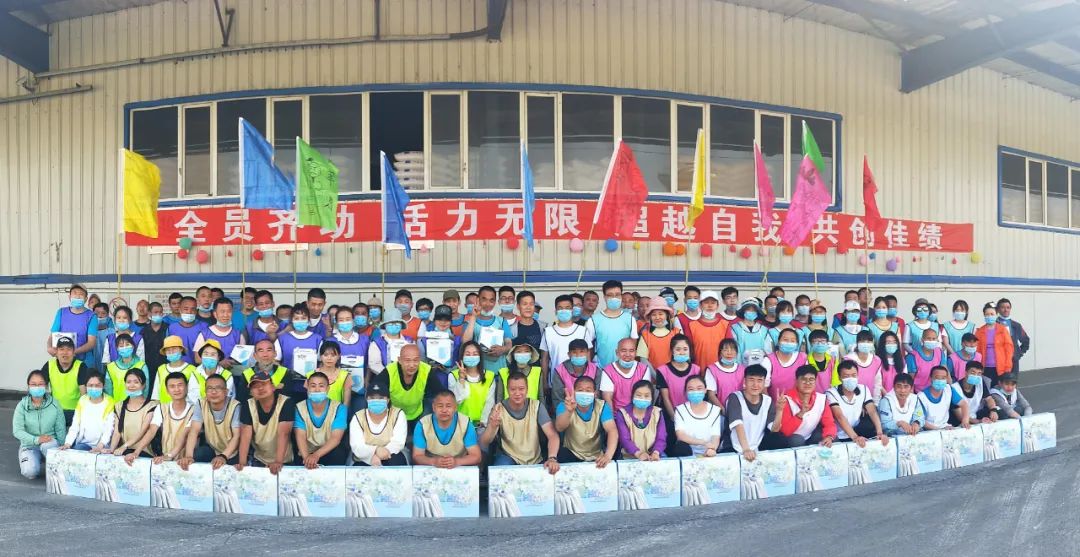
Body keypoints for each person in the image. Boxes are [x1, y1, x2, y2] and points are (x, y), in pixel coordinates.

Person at [480, 372, 560, 473]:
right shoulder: (498, 409)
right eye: (513, 389)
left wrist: (552, 458)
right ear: (507, 390)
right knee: (500, 470)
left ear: (527, 389)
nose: (517, 393)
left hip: (535, 457)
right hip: (508, 457)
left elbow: (552, 435)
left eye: (521, 389)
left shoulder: (537, 406)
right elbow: (484, 442)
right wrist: (492, 426)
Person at [237, 371, 296, 474]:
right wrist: (242, 463)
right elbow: (245, 436)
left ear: (273, 387)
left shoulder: (286, 402)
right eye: (255, 386)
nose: (260, 388)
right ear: (251, 392)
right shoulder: (248, 405)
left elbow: (284, 434)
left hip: (284, 460)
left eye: (264, 384)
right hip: (259, 459)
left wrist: (278, 462)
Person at [14, 370, 67, 479]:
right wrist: (36, 440)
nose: (37, 387)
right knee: (29, 472)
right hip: (29, 445)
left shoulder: (55, 404)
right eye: (33, 384)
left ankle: (52, 462)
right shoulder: (22, 406)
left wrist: (62, 447)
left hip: (50, 444)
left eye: (40, 384)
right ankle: (34, 458)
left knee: (46, 446)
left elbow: (60, 428)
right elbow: (17, 431)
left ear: (46, 386)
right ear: (28, 386)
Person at [554, 376, 617, 467]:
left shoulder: (602, 406)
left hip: (596, 455)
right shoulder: (565, 405)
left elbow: (612, 430)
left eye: (588, 390)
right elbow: (559, 428)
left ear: (595, 393)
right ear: (574, 392)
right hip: (571, 453)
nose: (584, 393)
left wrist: (608, 455)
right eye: (580, 390)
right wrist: (569, 412)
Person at [411, 390, 483, 468]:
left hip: (459, 466)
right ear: (433, 407)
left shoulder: (465, 424)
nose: (444, 410)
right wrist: (434, 461)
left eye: (448, 406)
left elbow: (476, 456)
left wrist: (456, 462)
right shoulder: (423, 425)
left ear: (455, 408)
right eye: (440, 406)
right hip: (431, 467)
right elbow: (417, 456)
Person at [771, 365, 837, 448]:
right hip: (791, 440)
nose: (807, 383)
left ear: (815, 381)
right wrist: (801, 414)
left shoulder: (821, 399)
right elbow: (785, 432)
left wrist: (829, 436)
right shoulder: (786, 400)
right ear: (796, 381)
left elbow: (829, 423)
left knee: (831, 438)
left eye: (811, 379)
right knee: (797, 440)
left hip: (810, 436)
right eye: (803, 379)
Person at [142, 372, 198, 467]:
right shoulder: (161, 408)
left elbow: (185, 436)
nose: (176, 389)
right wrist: (136, 452)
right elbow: (151, 431)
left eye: (180, 385)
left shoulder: (195, 410)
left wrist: (170, 455)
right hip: (165, 458)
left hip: (187, 460)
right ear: (167, 390)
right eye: (172, 386)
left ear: (187, 387)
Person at [293, 372, 349, 468]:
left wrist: (316, 455)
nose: (317, 389)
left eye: (321, 386)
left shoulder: (339, 408)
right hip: (306, 452)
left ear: (328, 389)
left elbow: (335, 438)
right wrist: (307, 459)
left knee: (339, 453)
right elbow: (300, 436)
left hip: (330, 451)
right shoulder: (299, 408)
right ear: (308, 388)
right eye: (313, 386)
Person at [827, 361, 888, 447]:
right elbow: (840, 416)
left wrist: (879, 432)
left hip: (857, 431)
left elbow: (872, 411)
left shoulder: (863, 389)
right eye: (846, 376)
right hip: (838, 435)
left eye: (854, 375)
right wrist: (855, 437)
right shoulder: (831, 393)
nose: (851, 379)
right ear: (839, 378)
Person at [540, 295, 594, 392]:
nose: (564, 311)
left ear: (572, 310)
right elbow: (545, 359)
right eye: (560, 308)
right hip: (556, 383)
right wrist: (544, 382)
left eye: (567, 308)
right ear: (555, 311)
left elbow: (588, 357)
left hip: (581, 385)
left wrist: (589, 379)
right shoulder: (548, 332)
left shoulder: (582, 331)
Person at [379, 344, 443, 426]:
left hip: (418, 412)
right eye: (407, 360)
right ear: (399, 360)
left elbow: (441, 392)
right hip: (394, 413)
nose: (412, 365)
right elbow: (375, 392)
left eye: (416, 360)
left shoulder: (426, 370)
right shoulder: (389, 371)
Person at [724, 364, 779, 459]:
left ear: (764, 383)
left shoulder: (768, 400)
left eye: (759, 380)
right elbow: (738, 424)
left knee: (780, 440)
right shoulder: (735, 397)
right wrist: (746, 449)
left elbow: (774, 429)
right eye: (751, 380)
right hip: (734, 447)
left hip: (757, 446)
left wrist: (780, 410)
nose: (755, 385)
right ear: (744, 381)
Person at [350, 382, 408, 466]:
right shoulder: (358, 417)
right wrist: (375, 451)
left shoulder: (398, 414)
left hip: (392, 454)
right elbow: (357, 446)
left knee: (396, 461)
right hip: (364, 457)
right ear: (366, 399)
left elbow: (398, 443)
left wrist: (379, 454)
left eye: (381, 398)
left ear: (388, 400)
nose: (376, 400)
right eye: (372, 398)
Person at [583, 280, 638, 369]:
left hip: (625, 370)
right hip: (602, 369)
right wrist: (590, 370)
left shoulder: (630, 319)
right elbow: (588, 348)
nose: (614, 298)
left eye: (617, 295)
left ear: (621, 296)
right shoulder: (593, 320)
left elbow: (633, 346)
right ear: (604, 297)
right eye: (610, 295)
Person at [191, 374, 241, 468]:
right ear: (205, 391)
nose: (213, 392)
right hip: (213, 449)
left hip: (233, 452)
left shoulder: (235, 406)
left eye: (218, 388)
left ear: (226, 391)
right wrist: (188, 456)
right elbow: (194, 430)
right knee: (199, 454)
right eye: (209, 388)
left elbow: (237, 435)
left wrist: (223, 456)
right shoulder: (201, 403)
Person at [275, 303, 324, 398]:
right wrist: (286, 373)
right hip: (288, 385)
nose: (300, 321)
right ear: (291, 320)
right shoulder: (282, 339)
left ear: (308, 320)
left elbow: (322, 363)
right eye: (296, 318)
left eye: (303, 318)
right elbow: (275, 361)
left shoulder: (317, 339)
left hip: (311, 387)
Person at [461, 286, 514, 373]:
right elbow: (465, 342)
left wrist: (502, 349)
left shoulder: (502, 321)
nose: (487, 304)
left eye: (491, 300)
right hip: (478, 373)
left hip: (499, 372)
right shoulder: (469, 322)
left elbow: (509, 344)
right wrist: (473, 316)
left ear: (495, 302)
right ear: (478, 300)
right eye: (484, 299)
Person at [107, 370, 159, 457]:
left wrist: (124, 446)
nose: (132, 385)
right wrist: (111, 450)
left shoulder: (152, 405)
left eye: (136, 382)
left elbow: (142, 431)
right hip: (124, 451)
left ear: (144, 385)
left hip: (144, 452)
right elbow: (117, 432)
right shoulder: (119, 405)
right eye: (128, 382)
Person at [655, 334, 705, 424]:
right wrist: (674, 418)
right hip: (671, 418)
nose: (682, 352)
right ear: (672, 351)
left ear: (689, 351)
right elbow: (665, 398)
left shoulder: (696, 369)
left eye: (685, 349)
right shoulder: (662, 371)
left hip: (692, 416)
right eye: (678, 349)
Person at [59, 371, 114, 452]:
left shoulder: (110, 402)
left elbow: (109, 428)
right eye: (90, 385)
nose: (94, 388)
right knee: (77, 450)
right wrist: (68, 443)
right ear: (86, 386)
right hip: (84, 444)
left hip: (103, 446)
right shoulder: (82, 400)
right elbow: (75, 425)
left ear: (103, 385)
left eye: (97, 385)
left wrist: (100, 446)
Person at [671, 376, 724, 457]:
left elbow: (715, 435)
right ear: (686, 392)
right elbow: (681, 436)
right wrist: (703, 442)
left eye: (699, 388)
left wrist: (712, 449)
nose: (695, 392)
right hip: (687, 452)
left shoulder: (715, 410)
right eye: (691, 389)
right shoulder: (680, 410)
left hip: (708, 451)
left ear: (705, 390)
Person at [449, 342, 496, 431]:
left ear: (480, 356)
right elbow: (456, 400)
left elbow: (489, 403)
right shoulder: (453, 376)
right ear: (462, 357)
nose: (471, 357)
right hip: (459, 425)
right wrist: (461, 379)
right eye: (467, 354)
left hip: (482, 426)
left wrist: (483, 423)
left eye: (475, 354)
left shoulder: (490, 376)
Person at [42, 337, 90, 424]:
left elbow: (84, 394)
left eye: (69, 349)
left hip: (75, 412)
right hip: (55, 410)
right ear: (56, 352)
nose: (65, 352)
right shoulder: (49, 364)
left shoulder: (81, 366)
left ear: (74, 352)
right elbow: (41, 386)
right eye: (61, 349)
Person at [613, 380, 666, 460]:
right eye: (638, 395)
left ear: (652, 398)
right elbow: (624, 439)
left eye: (647, 396)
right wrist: (639, 454)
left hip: (654, 456)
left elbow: (661, 437)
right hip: (629, 457)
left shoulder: (657, 412)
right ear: (632, 396)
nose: (642, 398)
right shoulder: (622, 413)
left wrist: (656, 452)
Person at [46, 284, 99, 364]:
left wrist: (72, 352)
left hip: (84, 362)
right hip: (63, 361)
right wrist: (49, 347)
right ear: (69, 297)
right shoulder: (61, 312)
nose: (77, 296)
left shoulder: (91, 316)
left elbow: (91, 342)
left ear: (86, 299)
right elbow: (53, 335)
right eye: (74, 293)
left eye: (81, 294)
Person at [599, 338, 654, 410]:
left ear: (635, 352)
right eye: (623, 351)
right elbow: (608, 399)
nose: (628, 354)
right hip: (616, 414)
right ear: (617, 352)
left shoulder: (644, 369)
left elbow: (645, 396)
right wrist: (613, 417)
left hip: (638, 412)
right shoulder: (608, 371)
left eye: (631, 351)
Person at [332, 306, 369, 411]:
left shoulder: (365, 340)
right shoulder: (330, 341)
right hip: (337, 388)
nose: (345, 322)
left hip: (360, 389)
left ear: (353, 320)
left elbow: (369, 364)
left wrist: (366, 380)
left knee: (359, 415)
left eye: (348, 319)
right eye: (341, 320)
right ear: (336, 322)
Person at [194, 298, 246, 368]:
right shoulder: (204, 334)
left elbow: (242, 360)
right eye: (222, 311)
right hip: (210, 374)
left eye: (229, 311)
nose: (226, 315)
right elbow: (197, 359)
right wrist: (219, 362)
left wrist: (230, 362)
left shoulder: (238, 335)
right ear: (215, 314)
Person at [685, 290, 731, 368]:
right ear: (700, 305)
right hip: (698, 371)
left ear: (717, 305)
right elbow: (688, 351)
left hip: (720, 370)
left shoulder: (725, 325)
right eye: (706, 302)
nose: (710, 306)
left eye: (713, 303)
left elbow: (729, 349)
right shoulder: (691, 326)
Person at [368, 307, 418, 377]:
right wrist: (390, 375)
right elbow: (375, 365)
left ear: (401, 325)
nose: (394, 325)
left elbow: (415, 360)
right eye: (390, 323)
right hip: (384, 378)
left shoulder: (410, 341)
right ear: (385, 326)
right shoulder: (376, 343)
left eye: (397, 323)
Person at [419, 305, 463, 384]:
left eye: (446, 320)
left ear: (451, 321)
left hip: (452, 380)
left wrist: (448, 369)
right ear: (434, 320)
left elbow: (459, 363)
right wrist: (431, 367)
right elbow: (421, 364)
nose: (443, 322)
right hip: (431, 380)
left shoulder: (457, 340)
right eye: (439, 319)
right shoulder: (424, 340)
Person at [917, 366, 970, 431]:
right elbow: (920, 420)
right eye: (937, 377)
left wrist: (965, 421)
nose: (940, 380)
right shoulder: (921, 397)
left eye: (943, 378)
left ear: (946, 379)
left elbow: (964, 404)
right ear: (931, 378)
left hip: (945, 427)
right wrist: (940, 429)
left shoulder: (948, 389)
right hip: (928, 431)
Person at [550, 338, 599, 405]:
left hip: (591, 407)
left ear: (588, 353)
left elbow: (597, 395)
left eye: (582, 351)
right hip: (567, 407)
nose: (578, 355)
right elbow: (557, 398)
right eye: (574, 352)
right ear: (569, 354)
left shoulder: (595, 370)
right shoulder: (560, 371)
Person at [762, 328, 807, 401]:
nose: (789, 343)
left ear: (797, 344)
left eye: (792, 341)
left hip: (797, 403)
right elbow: (763, 389)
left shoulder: (803, 358)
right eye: (785, 340)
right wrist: (772, 405)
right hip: (774, 404)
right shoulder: (768, 360)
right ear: (778, 342)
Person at [104, 333, 150, 401]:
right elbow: (108, 390)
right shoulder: (110, 367)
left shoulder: (142, 366)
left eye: (127, 344)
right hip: (117, 404)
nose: (124, 347)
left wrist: (142, 404)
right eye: (121, 346)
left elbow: (146, 388)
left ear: (133, 346)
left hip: (137, 404)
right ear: (117, 349)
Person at [977, 302, 1015, 384]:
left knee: (999, 390)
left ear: (996, 314)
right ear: (984, 315)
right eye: (987, 314)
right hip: (985, 368)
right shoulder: (979, 332)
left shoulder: (1003, 330)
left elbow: (1009, 349)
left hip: (1001, 368)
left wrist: (1008, 367)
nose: (989, 316)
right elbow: (977, 351)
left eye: (992, 314)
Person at [153, 336, 197, 404]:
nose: (171, 352)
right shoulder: (161, 369)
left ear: (181, 349)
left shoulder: (192, 369)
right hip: (164, 408)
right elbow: (156, 394)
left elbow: (194, 395)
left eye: (174, 349)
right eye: (168, 350)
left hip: (186, 408)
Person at [167, 296, 207, 365]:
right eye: (186, 309)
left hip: (199, 367)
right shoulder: (172, 328)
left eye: (193, 309)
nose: (189, 312)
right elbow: (168, 349)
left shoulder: (204, 327)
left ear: (196, 311)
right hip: (178, 367)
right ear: (180, 310)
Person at [637, 298, 676, 368]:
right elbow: (643, 359)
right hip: (652, 373)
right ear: (650, 317)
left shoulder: (676, 332)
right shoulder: (645, 335)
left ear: (667, 315)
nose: (657, 317)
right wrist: (656, 374)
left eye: (660, 314)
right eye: (654, 315)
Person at [311, 341, 352, 407]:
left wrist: (341, 412)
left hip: (337, 411)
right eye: (325, 355)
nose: (329, 358)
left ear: (339, 356)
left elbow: (346, 403)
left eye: (333, 355)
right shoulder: (311, 375)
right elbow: (309, 400)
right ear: (320, 356)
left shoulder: (345, 376)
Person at [904, 328, 946, 393]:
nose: (931, 341)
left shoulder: (939, 352)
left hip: (937, 390)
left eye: (934, 339)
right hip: (919, 392)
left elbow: (945, 370)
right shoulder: (912, 356)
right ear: (922, 340)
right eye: (928, 338)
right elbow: (910, 380)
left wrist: (950, 386)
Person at [704, 338, 745, 406]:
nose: (729, 353)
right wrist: (723, 409)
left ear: (736, 353)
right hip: (719, 409)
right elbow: (711, 395)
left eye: (732, 350)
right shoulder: (712, 369)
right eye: (725, 350)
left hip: (739, 408)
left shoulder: (742, 369)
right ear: (720, 353)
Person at [140, 302, 170, 393]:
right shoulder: (144, 331)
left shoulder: (168, 328)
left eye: (160, 312)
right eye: (156, 312)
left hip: (165, 366)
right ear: (149, 314)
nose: (159, 315)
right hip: (148, 367)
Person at [729, 298, 769, 364]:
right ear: (743, 311)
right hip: (740, 366)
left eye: (753, 310)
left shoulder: (764, 330)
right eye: (748, 309)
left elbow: (768, 350)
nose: (751, 312)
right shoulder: (734, 328)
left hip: (760, 367)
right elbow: (733, 349)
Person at [996, 298, 1030, 374]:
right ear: (998, 310)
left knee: (1012, 381)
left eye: (1008, 307)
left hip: (1013, 362)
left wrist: (1018, 354)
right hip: (997, 361)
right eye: (1003, 307)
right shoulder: (993, 325)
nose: (1006, 310)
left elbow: (1026, 341)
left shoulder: (1016, 325)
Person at [844, 330, 883, 395]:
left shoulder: (877, 360)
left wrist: (876, 399)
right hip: (853, 397)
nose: (866, 344)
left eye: (869, 341)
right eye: (863, 341)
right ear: (857, 343)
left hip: (870, 398)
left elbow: (877, 383)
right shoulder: (848, 359)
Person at [805, 330, 838, 395]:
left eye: (823, 341)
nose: (819, 344)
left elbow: (836, 382)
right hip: (810, 396)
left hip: (829, 396)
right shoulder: (805, 360)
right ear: (810, 343)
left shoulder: (833, 360)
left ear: (827, 343)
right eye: (816, 341)